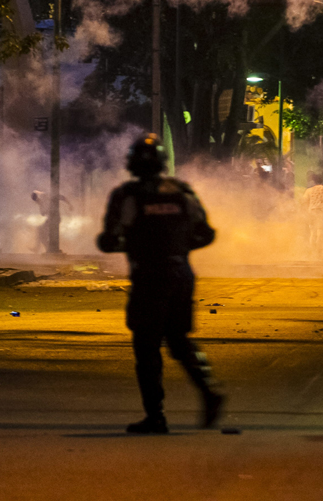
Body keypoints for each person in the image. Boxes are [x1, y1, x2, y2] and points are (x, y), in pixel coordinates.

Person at [97, 134, 223, 434]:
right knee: (178, 340)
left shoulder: (128, 195)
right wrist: (177, 248)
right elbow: (206, 233)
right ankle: (209, 391)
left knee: (147, 345)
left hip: (148, 277)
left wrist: (130, 245)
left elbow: (108, 239)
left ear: (132, 165)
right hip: (181, 274)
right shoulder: (181, 191)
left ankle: (156, 416)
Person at [302, 173, 323, 251]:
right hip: (322, 212)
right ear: (322, 180)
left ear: (314, 181)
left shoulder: (309, 190)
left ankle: (312, 249)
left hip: (312, 212)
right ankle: (319, 249)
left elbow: (303, 201)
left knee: (312, 231)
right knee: (320, 230)